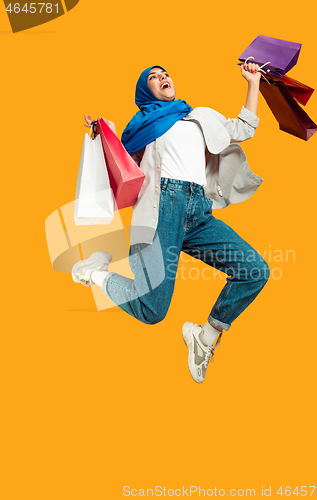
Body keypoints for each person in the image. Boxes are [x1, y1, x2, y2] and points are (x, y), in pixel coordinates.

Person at [72, 63, 270, 383]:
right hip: (160, 211)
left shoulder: (199, 117)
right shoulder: (141, 128)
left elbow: (245, 127)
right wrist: (100, 132)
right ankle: (95, 272)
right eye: (153, 77)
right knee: (153, 310)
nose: (162, 78)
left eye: (164, 73)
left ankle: (204, 338)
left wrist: (253, 83)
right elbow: (119, 161)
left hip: (198, 211)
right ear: (144, 92)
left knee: (255, 270)